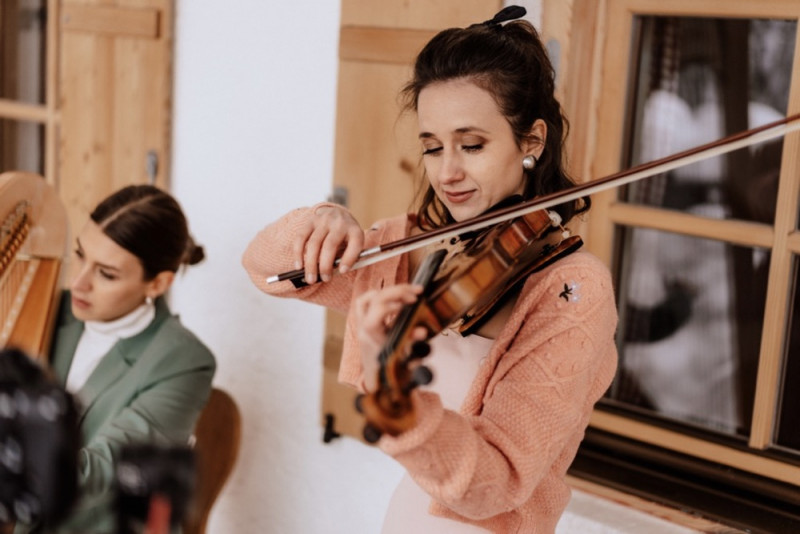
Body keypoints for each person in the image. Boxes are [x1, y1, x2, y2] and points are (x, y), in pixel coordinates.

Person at [242, 6, 617, 533]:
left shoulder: (571, 289)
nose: (448, 172)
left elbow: (496, 483)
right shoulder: (414, 246)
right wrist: (321, 219)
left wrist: (396, 395)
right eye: (433, 147)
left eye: (472, 145)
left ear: (531, 141)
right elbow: (266, 270)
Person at [14, 185, 216, 534]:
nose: (78, 282)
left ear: (157, 283)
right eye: (79, 255)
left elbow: (103, 469)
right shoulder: (48, 309)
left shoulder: (183, 362)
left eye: (105, 273)